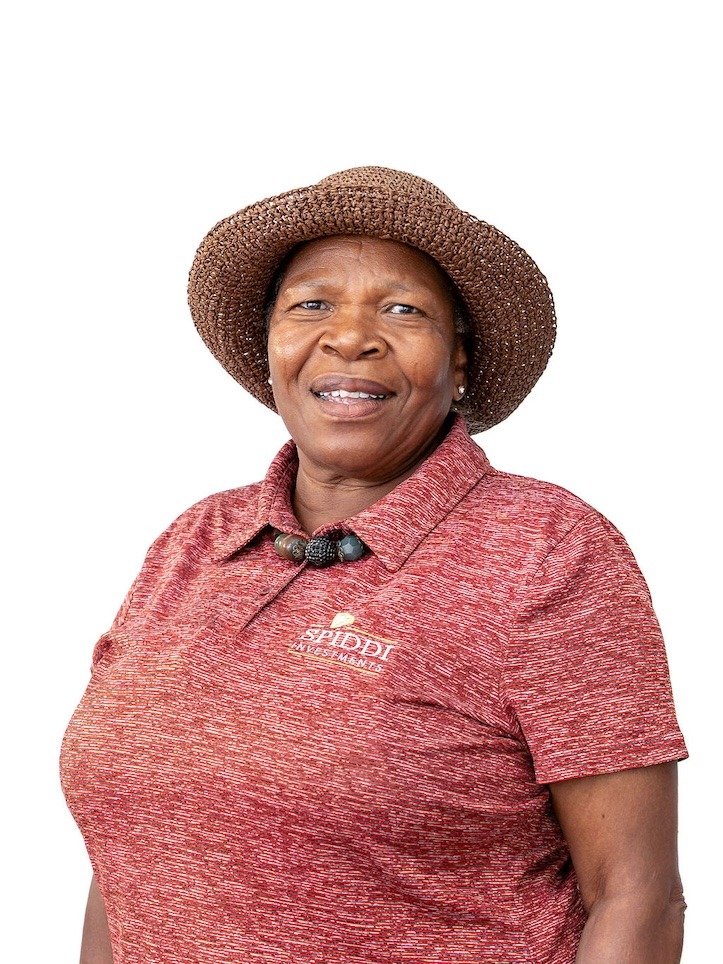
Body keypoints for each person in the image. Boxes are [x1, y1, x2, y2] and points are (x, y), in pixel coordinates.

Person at [61, 166, 687, 963]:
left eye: (402, 309)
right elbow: (129, 861)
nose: (349, 336)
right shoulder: (194, 542)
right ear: (271, 347)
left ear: (460, 359)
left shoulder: (547, 550)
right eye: (311, 305)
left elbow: (636, 896)